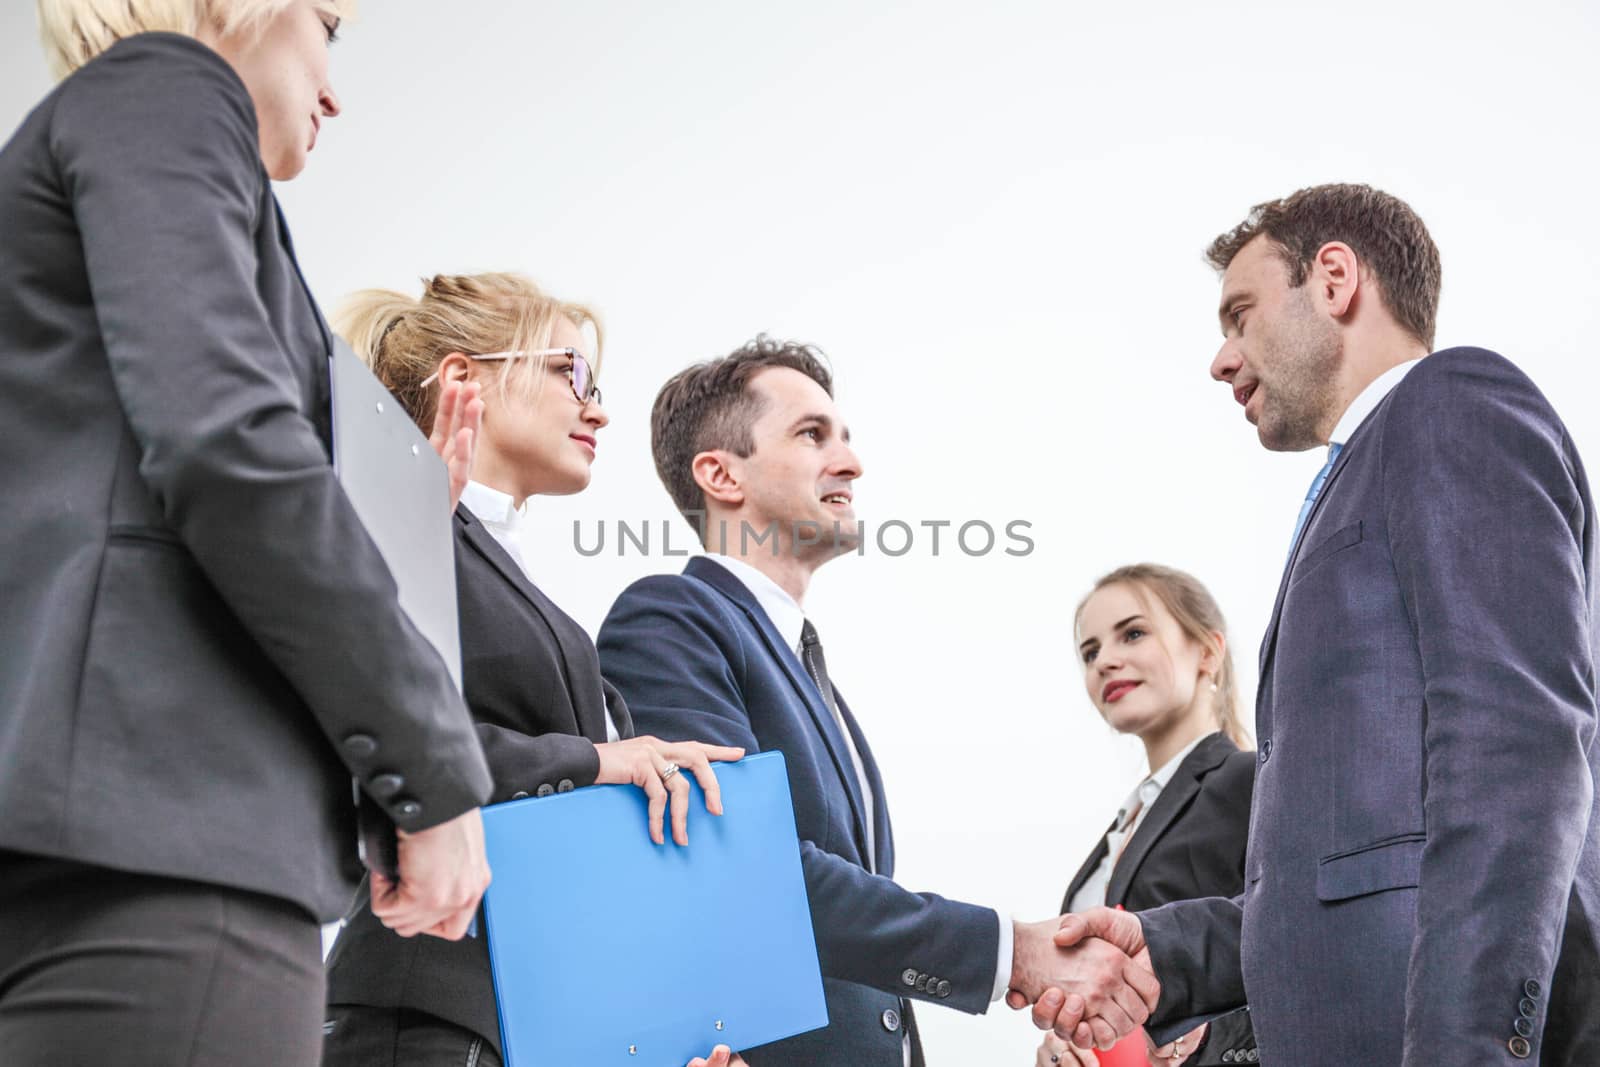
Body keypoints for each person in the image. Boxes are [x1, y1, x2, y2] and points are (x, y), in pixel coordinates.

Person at [0, 4, 494, 1065]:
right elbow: (233, 448)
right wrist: (434, 774)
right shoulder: (168, 90)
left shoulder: (89, 147)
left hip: (84, 846)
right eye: (328, 26)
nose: (332, 86)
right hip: (171, 855)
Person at [1033, 184, 1600, 1064]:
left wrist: (1475, 1048)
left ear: (1334, 278)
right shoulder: (1356, 479)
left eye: (1240, 314)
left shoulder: (1453, 403)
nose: (1222, 358)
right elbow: (1353, 865)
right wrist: (1172, 954)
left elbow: (1516, 750)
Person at [597, 337, 1160, 1065]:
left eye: (846, 438)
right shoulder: (671, 617)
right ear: (719, 473)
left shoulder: (808, 665)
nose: (851, 462)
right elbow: (742, 868)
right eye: (812, 434)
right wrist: (1013, 952)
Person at [321, 272, 748, 1067]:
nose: (598, 407)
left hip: (528, 1018)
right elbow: (372, 729)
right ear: (463, 377)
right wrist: (597, 759)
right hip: (430, 1013)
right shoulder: (383, 534)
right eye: (571, 372)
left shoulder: (512, 574)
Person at [1040, 565, 1256, 1067]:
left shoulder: (1250, 781)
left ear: (1208, 651)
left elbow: (1304, 948)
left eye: (1132, 634)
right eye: (1090, 652)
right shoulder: (1118, 830)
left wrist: (1201, 1045)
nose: (1105, 662)